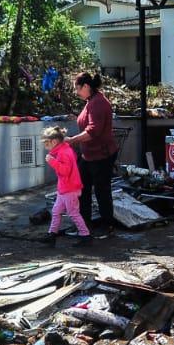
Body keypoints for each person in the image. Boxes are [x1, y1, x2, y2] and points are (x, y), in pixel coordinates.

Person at [66, 72, 119, 230]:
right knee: (82, 189)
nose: (76, 92)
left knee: (102, 191)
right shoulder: (91, 101)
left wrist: (73, 140)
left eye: (78, 88)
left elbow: (93, 130)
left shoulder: (98, 103)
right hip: (88, 155)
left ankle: (107, 225)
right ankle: (84, 225)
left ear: (86, 86)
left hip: (101, 155)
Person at [42, 126, 90, 245]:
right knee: (56, 211)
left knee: (73, 213)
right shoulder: (65, 150)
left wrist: (52, 161)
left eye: (46, 144)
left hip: (69, 188)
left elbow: (65, 171)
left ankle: (85, 235)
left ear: (54, 142)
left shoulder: (63, 153)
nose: (45, 147)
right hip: (65, 188)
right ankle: (52, 234)